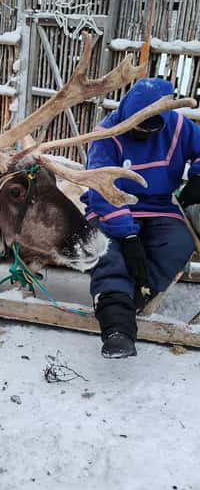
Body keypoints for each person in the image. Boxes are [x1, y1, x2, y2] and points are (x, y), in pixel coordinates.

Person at [81, 77, 200, 359]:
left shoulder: (179, 126)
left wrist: (198, 176)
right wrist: (129, 234)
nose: (141, 132)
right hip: (111, 206)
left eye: (148, 128)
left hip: (159, 205)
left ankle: (134, 298)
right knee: (106, 250)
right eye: (136, 126)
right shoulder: (106, 134)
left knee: (177, 244)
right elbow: (102, 189)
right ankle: (116, 326)